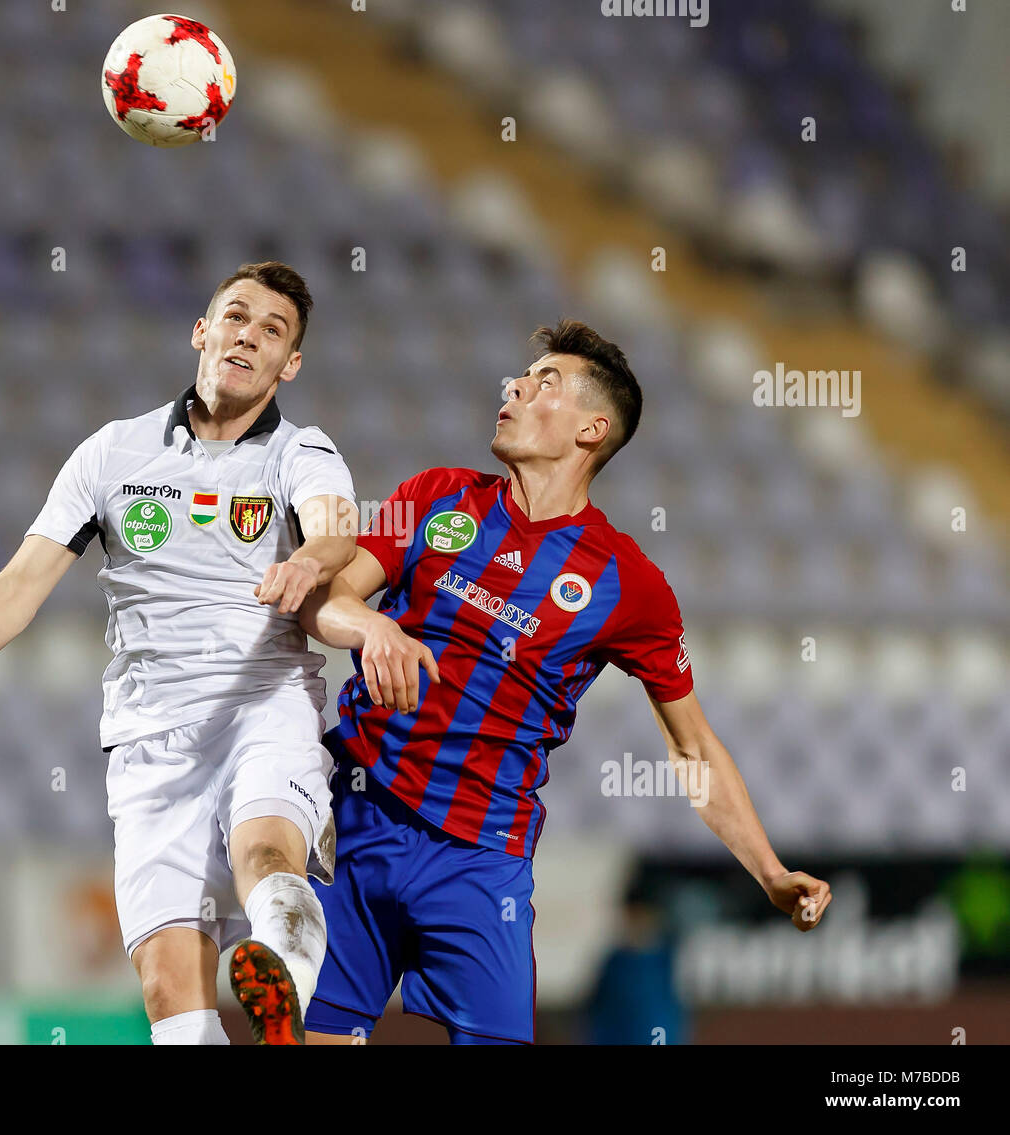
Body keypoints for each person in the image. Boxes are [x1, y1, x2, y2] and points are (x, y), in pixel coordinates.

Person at [297, 319, 832, 1045]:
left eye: (546, 382)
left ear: (592, 429)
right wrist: (375, 627)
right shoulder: (432, 494)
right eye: (522, 375)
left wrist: (769, 872)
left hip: (480, 857)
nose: (515, 386)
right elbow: (328, 599)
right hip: (358, 815)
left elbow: (692, 746)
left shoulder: (630, 584)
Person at [0, 261, 359, 1045]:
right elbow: (21, 583)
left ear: (288, 365)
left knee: (266, 848)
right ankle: (268, 992)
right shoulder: (111, 453)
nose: (249, 336)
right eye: (236, 316)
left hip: (262, 709)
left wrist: (311, 558)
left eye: (273, 331)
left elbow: (334, 526)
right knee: (169, 989)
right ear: (202, 331)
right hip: (150, 741)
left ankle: (283, 992)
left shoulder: (302, 452)